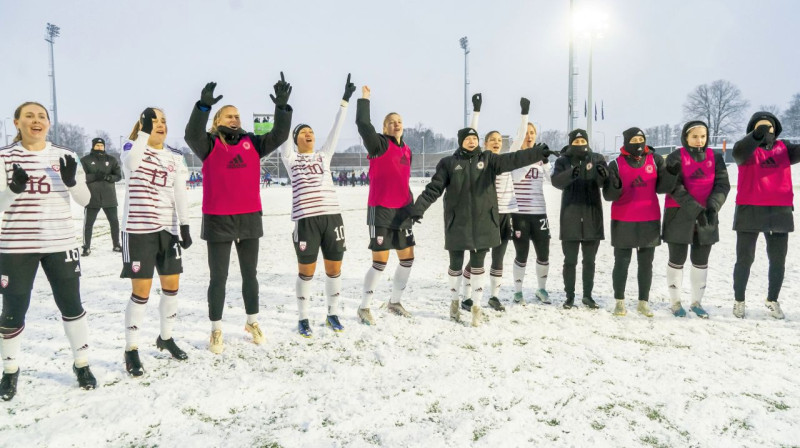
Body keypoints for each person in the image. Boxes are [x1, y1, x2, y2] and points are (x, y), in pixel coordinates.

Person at [184, 74, 292, 353]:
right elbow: (191, 134)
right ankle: (216, 329)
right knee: (218, 278)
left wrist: (281, 108)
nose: (236, 119)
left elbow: (279, 135)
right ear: (218, 120)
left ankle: (252, 322)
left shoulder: (253, 143)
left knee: (250, 275)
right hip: (218, 218)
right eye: (229, 116)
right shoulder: (208, 144)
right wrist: (202, 107)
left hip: (249, 217)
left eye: (238, 116)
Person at [0, 101, 95, 400]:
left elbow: (85, 199)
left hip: (61, 243)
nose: (36, 120)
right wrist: (12, 191)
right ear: (17, 123)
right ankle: (10, 369)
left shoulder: (65, 156)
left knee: (72, 306)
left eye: (41, 116)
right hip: (16, 247)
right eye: (29, 116)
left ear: (49, 124)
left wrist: (70, 182)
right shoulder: (4, 157)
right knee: (13, 312)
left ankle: (82, 364)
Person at [412, 126, 551, 326]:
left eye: (474, 138)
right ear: (460, 141)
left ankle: (477, 307)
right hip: (457, 224)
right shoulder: (448, 163)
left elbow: (513, 159)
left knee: (478, 266)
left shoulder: (489, 160)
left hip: (484, 222)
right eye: (468, 138)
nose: (471, 141)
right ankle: (454, 302)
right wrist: (419, 209)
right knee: (455, 266)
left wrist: (538, 153)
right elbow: (433, 189)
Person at [280, 74, 354, 337]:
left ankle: (332, 314)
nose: (309, 135)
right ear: (296, 139)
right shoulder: (290, 158)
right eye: (303, 132)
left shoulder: (324, 155)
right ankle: (303, 318)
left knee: (334, 269)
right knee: (307, 271)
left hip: (332, 218)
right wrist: (283, 109)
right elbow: (282, 135)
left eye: (311, 132)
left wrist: (344, 101)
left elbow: (335, 129)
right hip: (306, 220)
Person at [121, 107, 192, 376]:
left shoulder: (175, 156)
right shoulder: (131, 146)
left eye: (163, 120)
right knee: (141, 292)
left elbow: (179, 192)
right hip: (138, 230)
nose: (160, 124)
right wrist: (144, 132)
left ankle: (166, 337)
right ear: (143, 124)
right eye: (154, 120)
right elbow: (131, 164)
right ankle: (131, 349)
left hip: (168, 230)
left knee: (171, 287)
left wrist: (184, 225)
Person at [459, 94, 533, 313]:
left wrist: (524, 114)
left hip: (505, 214)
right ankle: (466, 296)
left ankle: (494, 296)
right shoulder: (480, 159)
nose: (497, 143)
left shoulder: (506, 160)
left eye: (500, 141)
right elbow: (470, 134)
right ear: (484, 143)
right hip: (485, 215)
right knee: (477, 257)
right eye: (493, 140)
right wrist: (476, 110)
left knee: (498, 257)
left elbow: (520, 139)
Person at [355, 85, 416, 324]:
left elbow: (402, 180)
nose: (396, 124)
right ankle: (364, 306)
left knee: (407, 258)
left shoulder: (408, 150)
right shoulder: (379, 144)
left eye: (399, 121)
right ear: (384, 128)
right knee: (380, 262)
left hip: (403, 212)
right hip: (380, 210)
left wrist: (412, 205)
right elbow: (362, 125)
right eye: (391, 122)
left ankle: (395, 301)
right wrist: (365, 98)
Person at [731, 111, 800, 319]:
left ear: (775, 129)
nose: (764, 131)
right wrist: (755, 137)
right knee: (745, 259)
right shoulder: (745, 149)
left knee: (778, 260)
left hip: (779, 210)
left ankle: (772, 299)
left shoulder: (784, 148)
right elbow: (739, 153)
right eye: (759, 127)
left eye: (768, 127)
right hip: (749, 208)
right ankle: (739, 300)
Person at [603, 127, 675, 317]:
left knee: (646, 264)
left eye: (641, 139)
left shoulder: (655, 159)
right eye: (634, 140)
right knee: (622, 263)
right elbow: (609, 196)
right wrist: (611, 183)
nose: (638, 143)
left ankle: (643, 302)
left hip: (649, 219)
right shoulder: (616, 164)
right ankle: (619, 301)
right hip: (623, 220)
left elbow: (662, 188)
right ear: (626, 142)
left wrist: (671, 173)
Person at [663, 121, 729, 318]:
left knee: (700, 261)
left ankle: (696, 302)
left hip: (707, 216)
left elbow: (722, 185)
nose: (699, 140)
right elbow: (674, 187)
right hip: (679, 215)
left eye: (703, 136)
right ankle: (675, 302)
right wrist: (695, 209)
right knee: (677, 259)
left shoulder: (715, 157)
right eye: (695, 136)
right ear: (685, 137)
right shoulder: (676, 157)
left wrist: (712, 206)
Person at [551, 129, 607, 309]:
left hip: (592, 216)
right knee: (570, 260)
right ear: (570, 143)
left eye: (583, 141)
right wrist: (572, 172)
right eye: (576, 142)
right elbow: (557, 182)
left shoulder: (597, 157)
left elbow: (603, 184)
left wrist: (602, 174)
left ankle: (588, 296)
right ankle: (569, 296)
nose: (580, 145)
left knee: (590, 261)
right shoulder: (562, 161)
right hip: (570, 216)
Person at [80, 137, 123, 256]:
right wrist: (94, 176)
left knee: (114, 222)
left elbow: (118, 176)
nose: (100, 147)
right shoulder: (85, 160)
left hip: (109, 197)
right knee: (88, 224)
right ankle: (86, 247)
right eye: (97, 145)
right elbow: (80, 177)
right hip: (92, 197)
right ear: (93, 146)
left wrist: (109, 177)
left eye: (101, 145)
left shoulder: (112, 159)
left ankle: (116, 245)